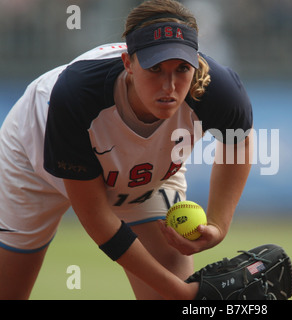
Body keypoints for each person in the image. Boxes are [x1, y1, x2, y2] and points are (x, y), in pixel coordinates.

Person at [0, 0, 253, 300]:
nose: (169, 86)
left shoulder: (218, 90)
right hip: (33, 158)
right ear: (128, 64)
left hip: (143, 176)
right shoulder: (76, 95)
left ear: (196, 64)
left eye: (182, 68)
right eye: (155, 68)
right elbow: (98, 219)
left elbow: (239, 143)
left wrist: (219, 226)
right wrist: (184, 293)